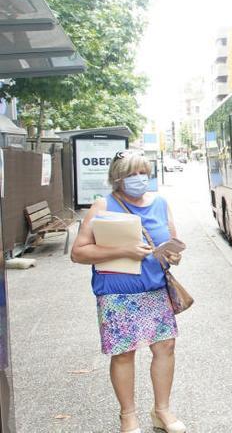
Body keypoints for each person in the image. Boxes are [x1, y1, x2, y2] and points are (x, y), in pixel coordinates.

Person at [70, 151, 185, 433]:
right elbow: (78, 252)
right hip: (117, 294)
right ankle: (128, 416)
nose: (139, 179)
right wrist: (124, 250)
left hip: (154, 290)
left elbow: (172, 241)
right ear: (117, 178)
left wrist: (173, 256)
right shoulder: (103, 205)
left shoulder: (160, 204)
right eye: (132, 174)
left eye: (144, 172)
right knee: (124, 353)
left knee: (165, 347)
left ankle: (162, 411)